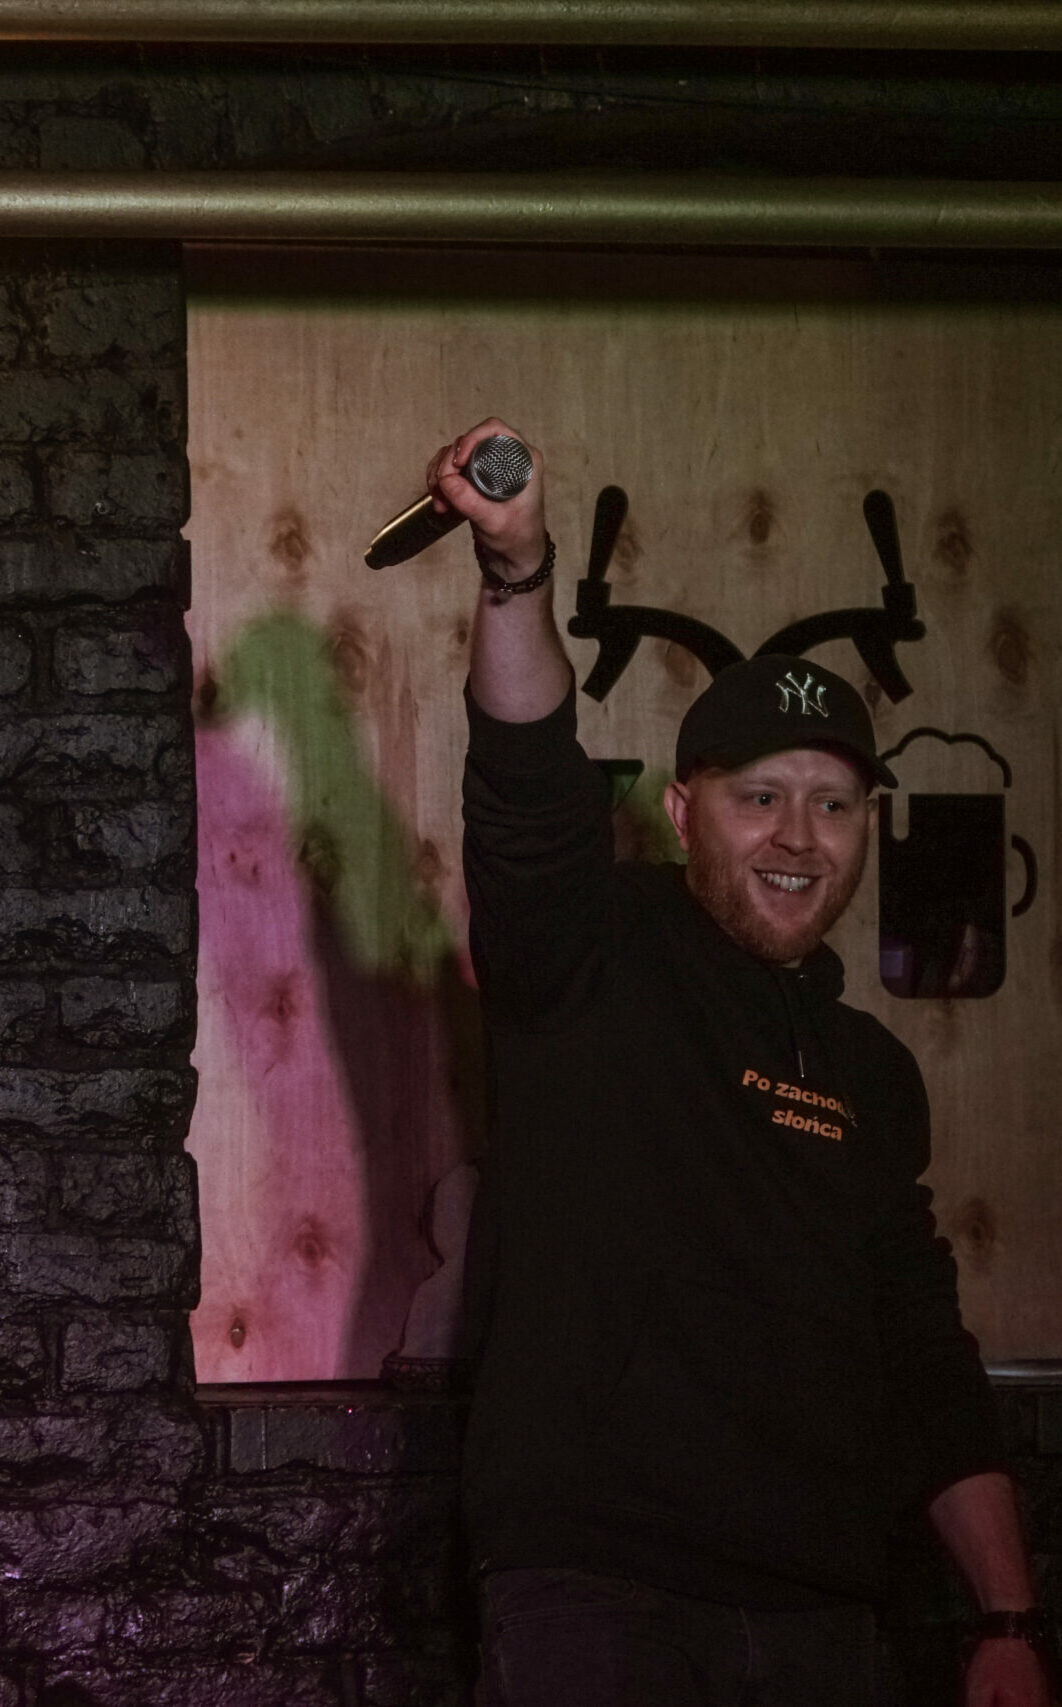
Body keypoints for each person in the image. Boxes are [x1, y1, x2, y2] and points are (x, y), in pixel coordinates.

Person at [429, 417, 1050, 1707]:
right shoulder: (590, 957)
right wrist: (517, 570)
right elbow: (527, 784)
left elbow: (921, 1354)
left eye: (832, 804)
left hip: (825, 1621)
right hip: (600, 1601)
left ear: (867, 826)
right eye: (758, 796)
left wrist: (1007, 1618)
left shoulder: (872, 1074)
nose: (798, 837)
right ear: (681, 811)